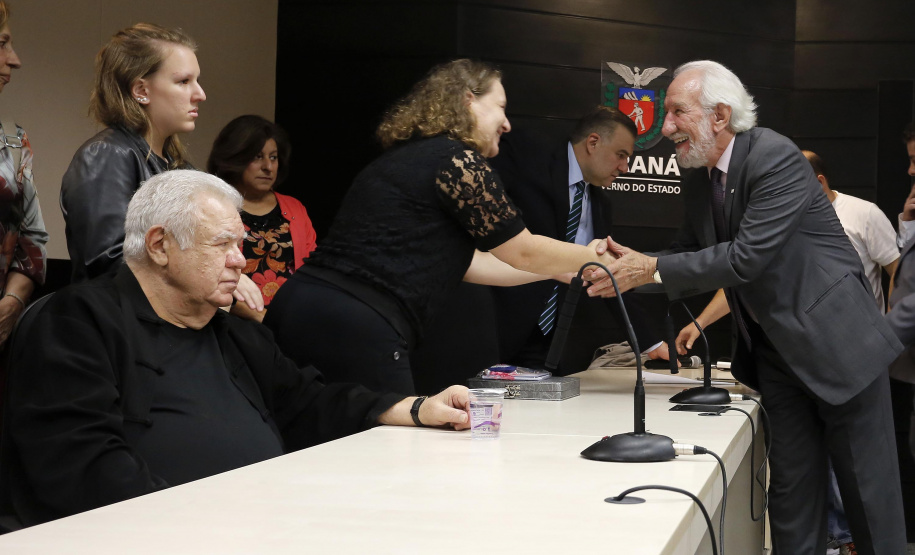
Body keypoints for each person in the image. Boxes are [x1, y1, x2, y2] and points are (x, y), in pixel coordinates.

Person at [0, 169, 471, 530]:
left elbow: (310, 401)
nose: (240, 260)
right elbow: (84, 469)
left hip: (262, 529)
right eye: (222, 243)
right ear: (160, 246)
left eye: (239, 243)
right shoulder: (76, 323)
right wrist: (209, 524)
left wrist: (418, 408)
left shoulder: (232, 332)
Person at [592, 60, 906, 553]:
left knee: (869, 502)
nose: (665, 126)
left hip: (841, 351)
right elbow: (682, 253)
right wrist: (621, 271)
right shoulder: (699, 178)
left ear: (719, 115)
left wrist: (646, 268)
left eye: (676, 112)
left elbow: (746, 258)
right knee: (791, 495)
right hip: (777, 357)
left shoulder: (774, 156)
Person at [265, 59, 617, 395]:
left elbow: (475, 264)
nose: (507, 124)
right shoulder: (457, 161)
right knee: (382, 445)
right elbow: (521, 249)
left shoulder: (409, 157)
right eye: (501, 107)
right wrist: (591, 256)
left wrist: (557, 271)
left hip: (300, 308)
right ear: (468, 100)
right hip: (356, 322)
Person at [59, 23, 261, 312]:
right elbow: (107, 262)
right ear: (141, 90)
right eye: (183, 81)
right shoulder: (106, 154)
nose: (200, 94)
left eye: (197, 80)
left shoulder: (178, 165)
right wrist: (214, 275)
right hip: (118, 331)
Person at [488, 107, 664, 373]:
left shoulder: (601, 204)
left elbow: (608, 276)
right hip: (492, 327)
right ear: (593, 142)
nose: (625, 167)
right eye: (621, 155)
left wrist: (651, 343)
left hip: (549, 343)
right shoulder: (525, 156)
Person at [207, 115, 316, 319]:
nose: (268, 167)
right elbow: (207, 275)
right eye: (258, 157)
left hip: (293, 320)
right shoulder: (214, 206)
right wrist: (262, 319)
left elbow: (313, 271)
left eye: (273, 157)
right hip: (232, 321)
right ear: (235, 157)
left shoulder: (295, 208)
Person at [0, 0, 48, 418]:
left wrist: (13, 303)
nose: (13, 61)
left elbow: (33, 239)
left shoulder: (14, 143)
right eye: (1, 44)